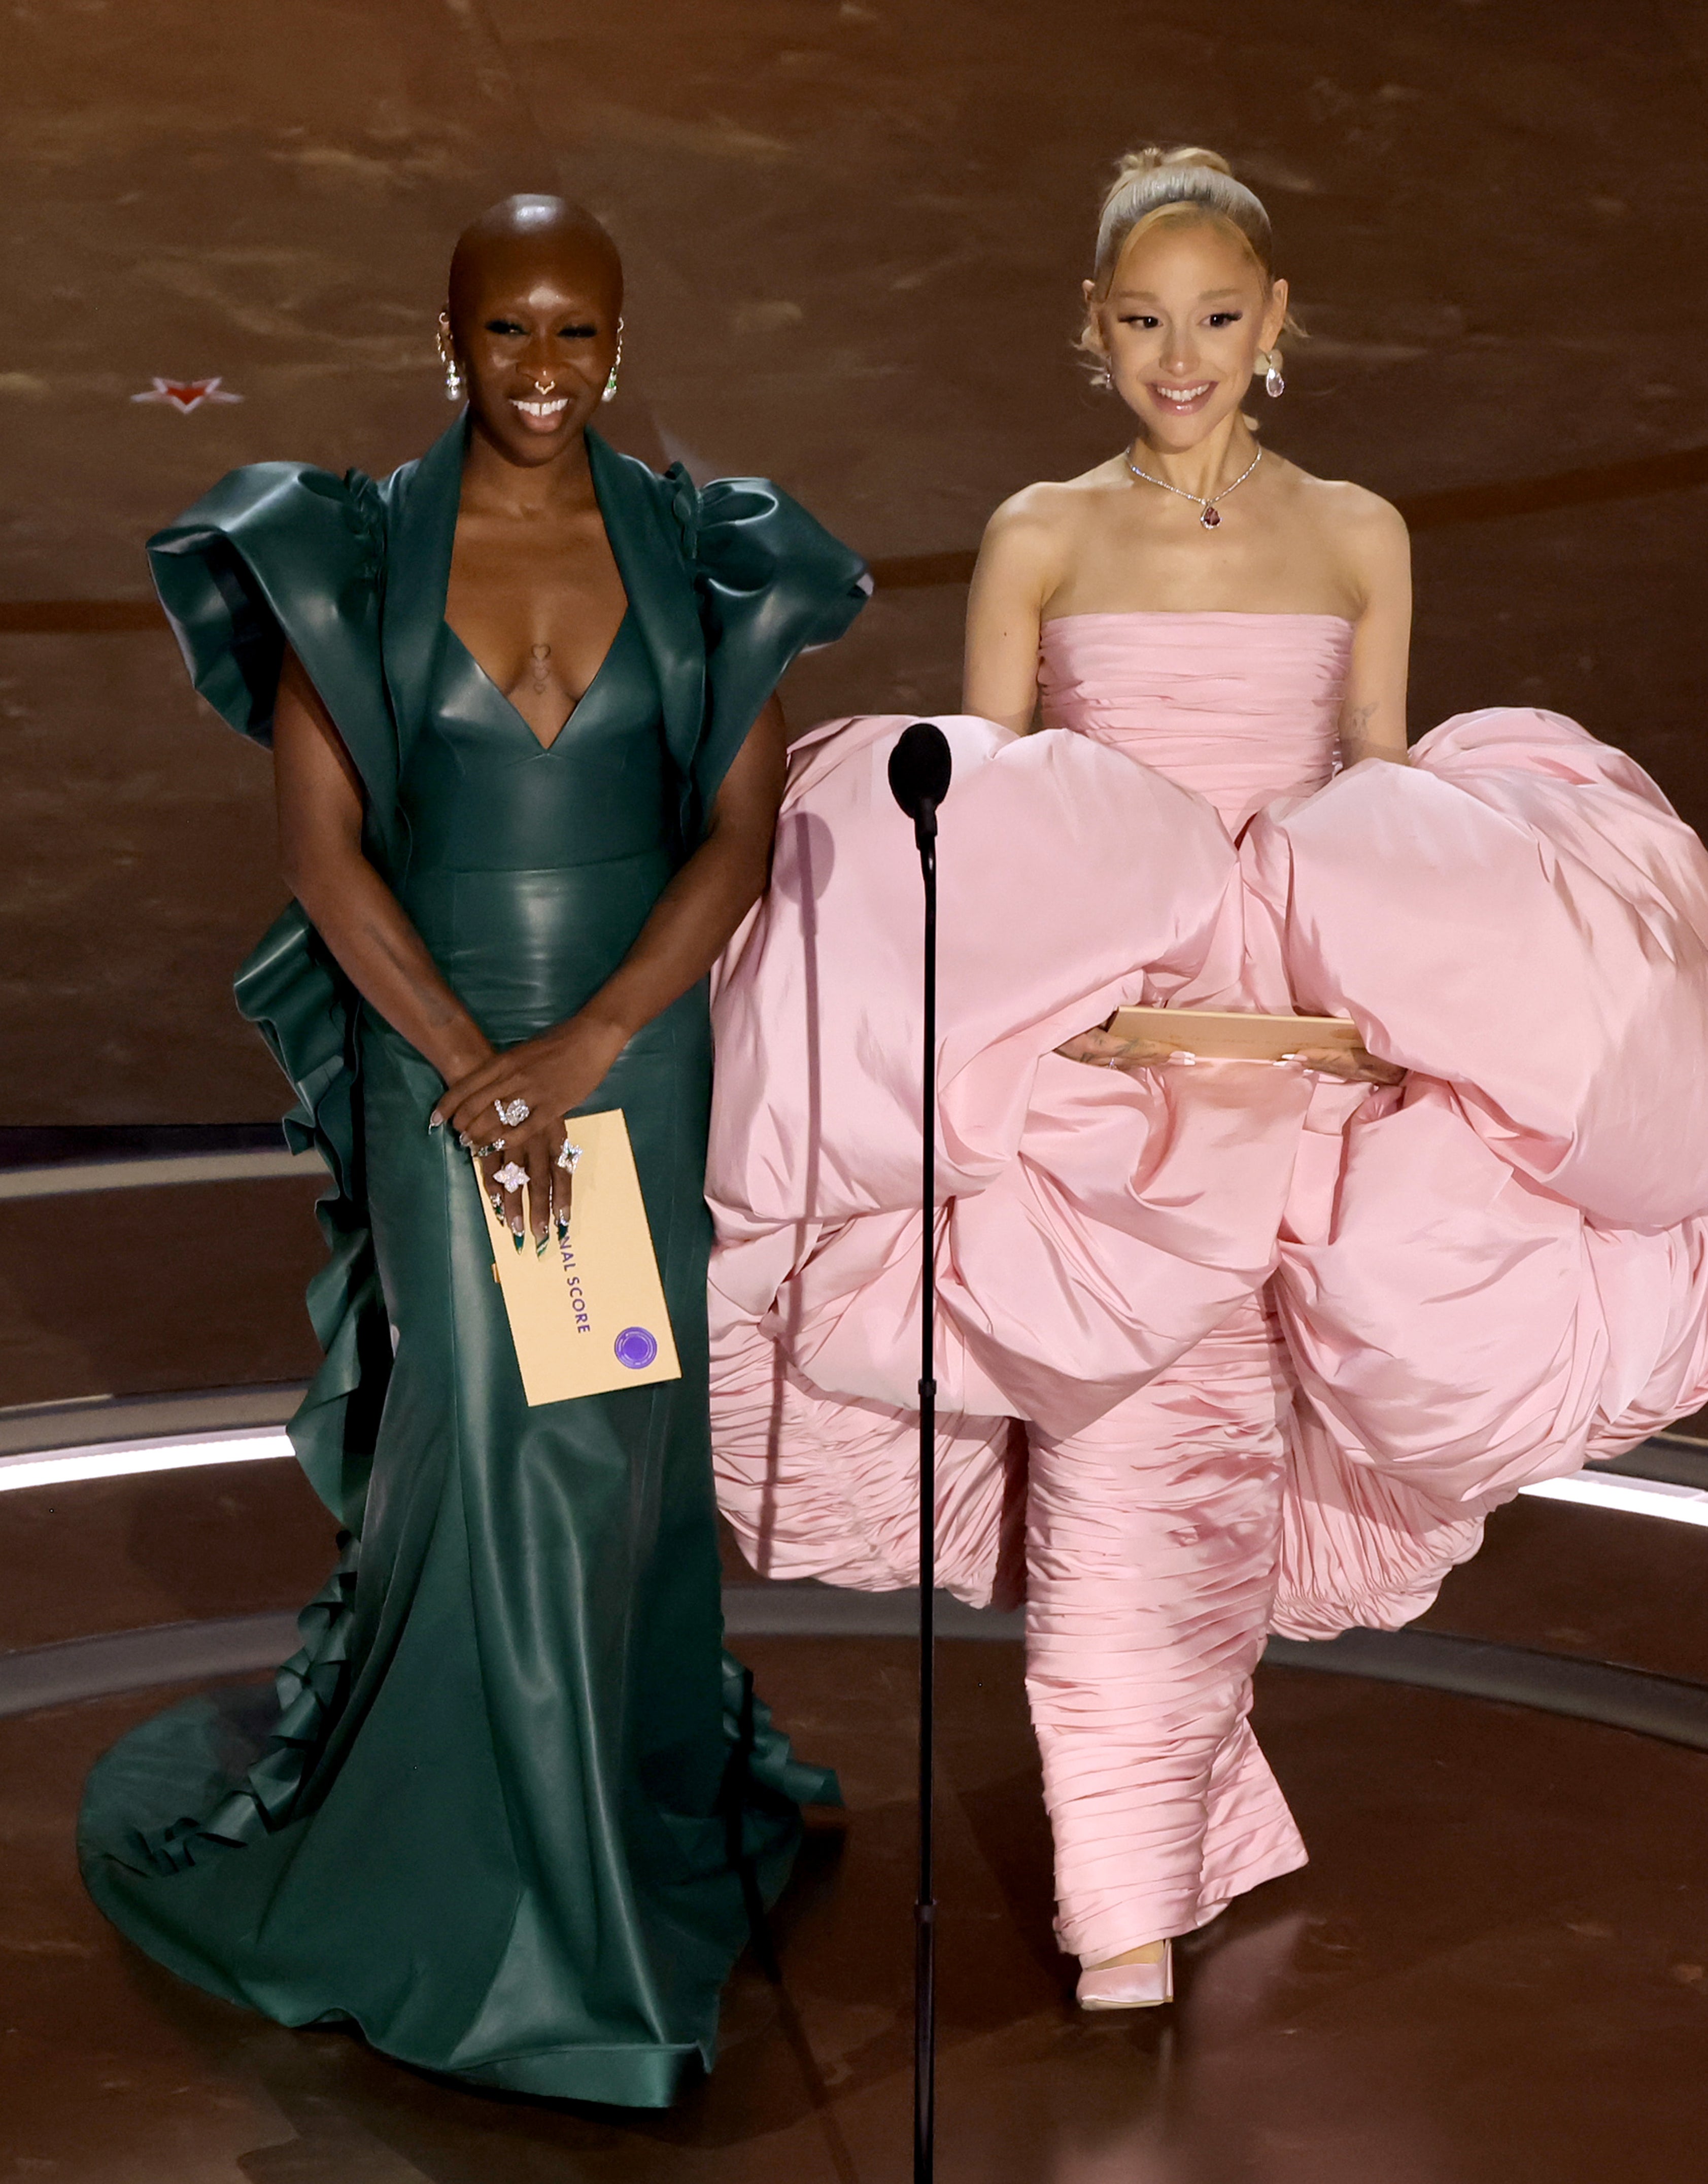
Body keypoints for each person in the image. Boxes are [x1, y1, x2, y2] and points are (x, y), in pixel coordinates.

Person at [707, 147, 1708, 2011]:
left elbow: (1383, 794)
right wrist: (1059, 1016)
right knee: (1127, 1468)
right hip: (1113, 1049)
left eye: (1221, 319)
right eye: (1147, 320)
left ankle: (1173, 1838)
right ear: (1094, 333)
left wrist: (1376, 1005)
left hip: (1299, 1039)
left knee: (1223, 1473)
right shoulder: (1041, 531)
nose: (1186, 355)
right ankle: (1127, 1917)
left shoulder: (1359, 533)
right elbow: (995, 818)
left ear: (1280, 327)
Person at [79, 194, 868, 2105]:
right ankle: (537, 1922)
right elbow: (323, 857)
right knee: (490, 1442)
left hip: (625, 1056)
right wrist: (470, 1067)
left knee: (602, 1445)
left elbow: (740, 842)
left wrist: (587, 1050)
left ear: (620, 346)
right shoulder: (346, 554)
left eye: (579, 336)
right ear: (450, 341)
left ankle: (600, 1817)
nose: (543, 370)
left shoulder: (701, 553)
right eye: (508, 333)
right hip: (436, 1060)